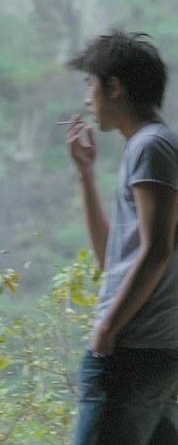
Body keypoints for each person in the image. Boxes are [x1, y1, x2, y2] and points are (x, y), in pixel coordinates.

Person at [65, 30, 178, 444]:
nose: (86, 99)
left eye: (90, 85)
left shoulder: (151, 147)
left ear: (114, 87)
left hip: (133, 350)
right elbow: (111, 261)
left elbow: (158, 250)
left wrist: (107, 332)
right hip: (153, 351)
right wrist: (86, 175)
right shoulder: (151, 147)